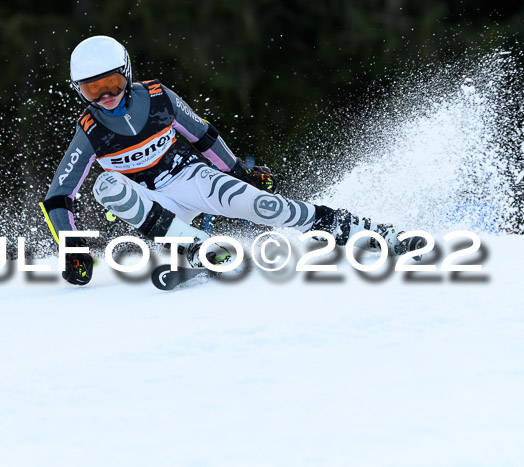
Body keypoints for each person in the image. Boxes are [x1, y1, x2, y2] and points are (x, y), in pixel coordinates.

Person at [43, 35, 422, 286]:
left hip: (188, 177)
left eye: (111, 83)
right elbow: (59, 196)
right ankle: (193, 245)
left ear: (126, 73)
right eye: (92, 89)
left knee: (266, 207)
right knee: (107, 185)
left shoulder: (157, 97)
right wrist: (72, 249)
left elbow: (203, 135)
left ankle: (363, 232)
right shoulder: (90, 129)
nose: (105, 96)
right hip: (152, 206)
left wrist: (241, 173)